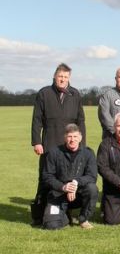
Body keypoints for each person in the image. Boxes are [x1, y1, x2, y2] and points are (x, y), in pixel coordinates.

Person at [30, 63, 86, 226]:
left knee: (68, 178)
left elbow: (80, 120)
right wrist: (36, 142)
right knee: (45, 179)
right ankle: (38, 216)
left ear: (69, 78)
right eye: (60, 76)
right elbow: (37, 119)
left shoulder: (75, 94)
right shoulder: (44, 93)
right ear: (55, 76)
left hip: (70, 144)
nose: (62, 79)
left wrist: (81, 142)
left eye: (66, 77)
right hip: (49, 143)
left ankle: (65, 212)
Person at [41, 124, 98, 230]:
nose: (73, 140)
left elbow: (92, 176)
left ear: (80, 137)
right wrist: (63, 187)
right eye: (69, 136)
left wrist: (75, 183)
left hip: (79, 194)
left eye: (75, 136)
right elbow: (47, 176)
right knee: (51, 225)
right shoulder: (54, 153)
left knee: (92, 189)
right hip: (59, 194)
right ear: (65, 137)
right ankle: (65, 215)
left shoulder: (88, 153)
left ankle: (83, 219)